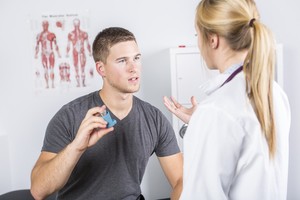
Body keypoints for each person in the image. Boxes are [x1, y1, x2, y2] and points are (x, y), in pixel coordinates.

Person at [31, 27, 183, 200]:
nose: (134, 68)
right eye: (122, 61)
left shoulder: (154, 119)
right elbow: (38, 190)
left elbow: (181, 180)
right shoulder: (70, 116)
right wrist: (77, 147)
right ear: (101, 69)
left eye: (136, 58)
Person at [163, 0, 291, 199]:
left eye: (198, 35)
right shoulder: (273, 92)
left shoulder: (215, 110)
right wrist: (200, 122)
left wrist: (203, 123)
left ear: (212, 40)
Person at [35, 20, 61, 89]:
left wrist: (58, 54)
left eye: (46, 25)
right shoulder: (39, 35)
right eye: (44, 25)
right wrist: (36, 54)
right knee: (45, 69)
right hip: (43, 53)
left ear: (48, 25)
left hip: (51, 53)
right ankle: (47, 84)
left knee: (52, 69)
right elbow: (37, 46)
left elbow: (56, 45)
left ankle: (52, 84)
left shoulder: (52, 34)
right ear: (42, 26)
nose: (45, 26)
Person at [66, 18, 92, 87]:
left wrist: (90, 52)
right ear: (73, 24)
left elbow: (88, 44)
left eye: (77, 24)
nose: (76, 26)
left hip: (82, 52)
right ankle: (78, 83)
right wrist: (67, 53)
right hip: (75, 52)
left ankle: (83, 83)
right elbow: (68, 45)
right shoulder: (70, 34)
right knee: (76, 68)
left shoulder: (84, 34)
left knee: (82, 68)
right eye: (75, 24)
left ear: (79, 24)